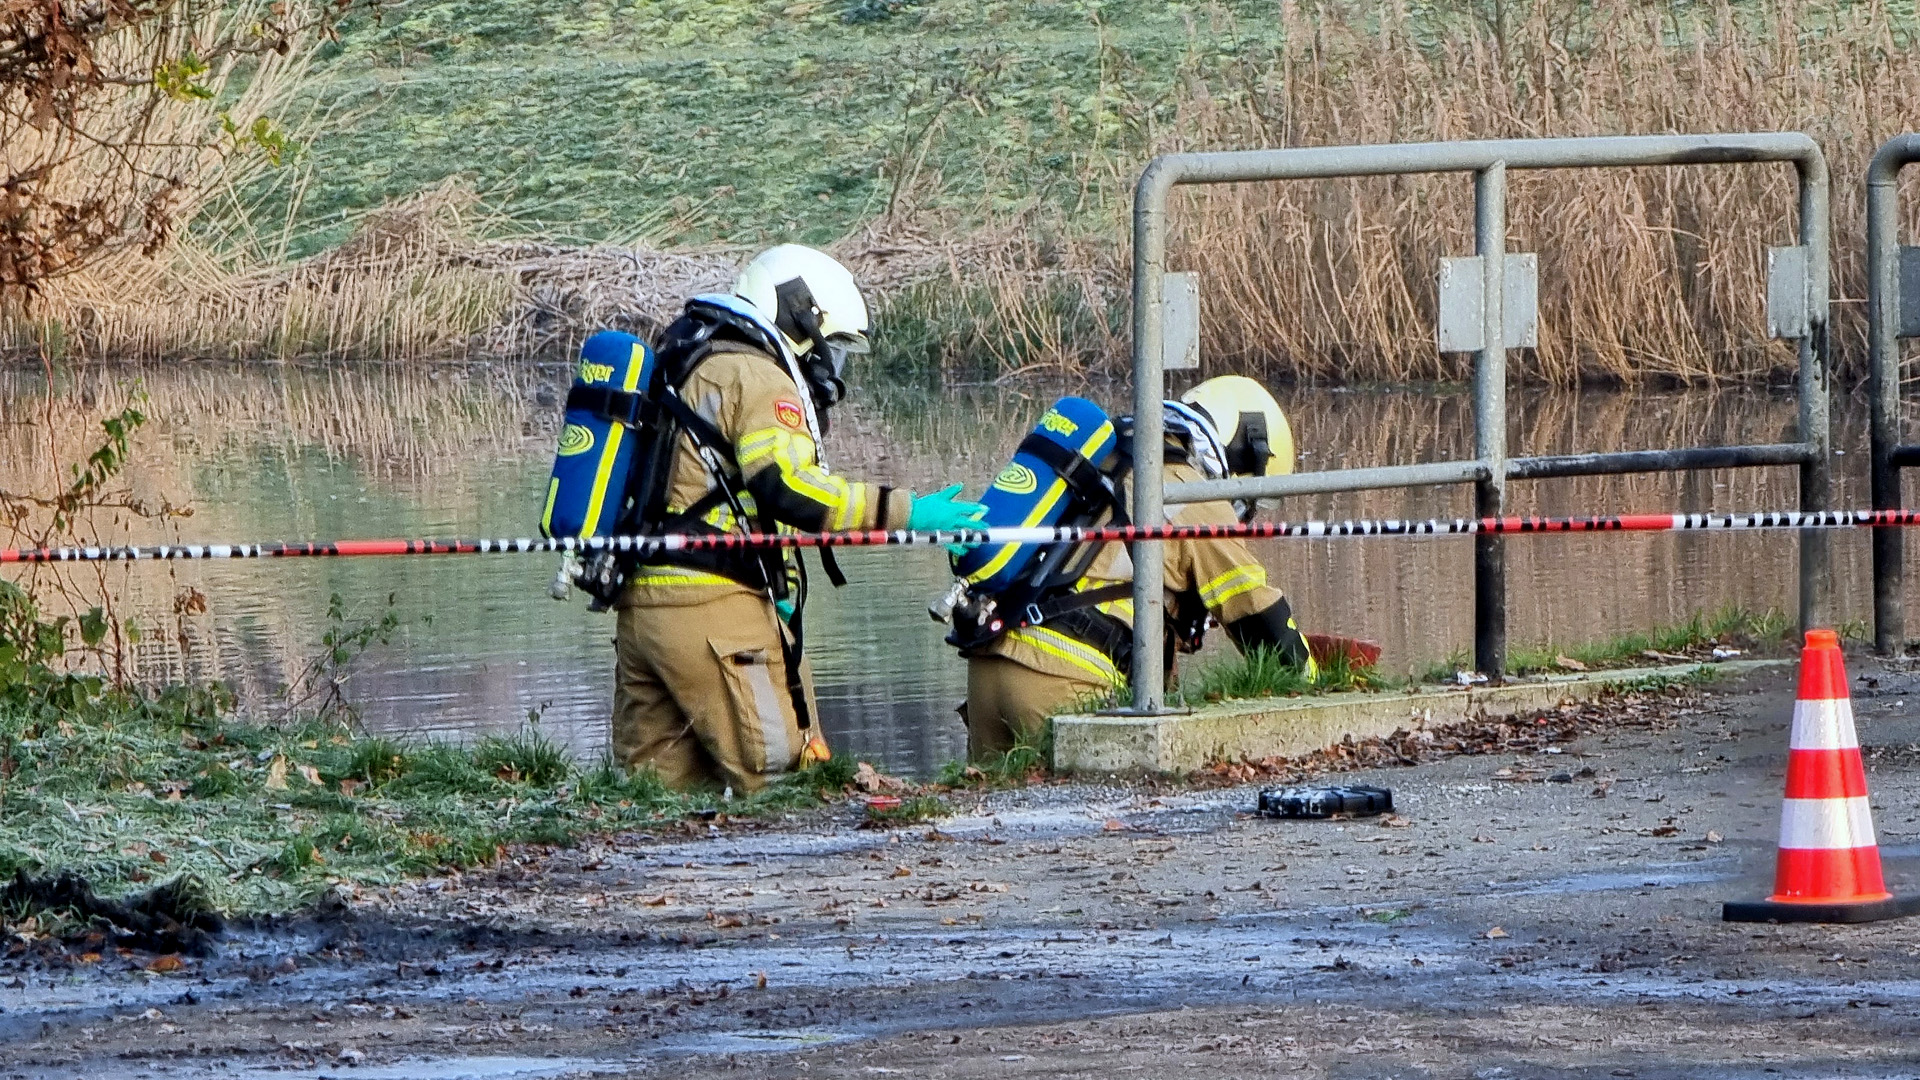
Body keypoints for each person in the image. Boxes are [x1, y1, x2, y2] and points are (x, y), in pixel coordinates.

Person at [612, 244, 984, 793]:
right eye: (833, 347)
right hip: (715, 610)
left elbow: (719, 493)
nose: (834, 369)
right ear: (800, 318)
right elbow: (788, 489)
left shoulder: (689, 356)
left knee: (656, 801)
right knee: (782, 782)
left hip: (644, 606)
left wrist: (779, 583)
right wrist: (908, 511)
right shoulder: (759, 377)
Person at [956, 375, 1315, 760]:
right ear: (1243, 455)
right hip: (1067, 677)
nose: (1240, 510)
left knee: (997, 816)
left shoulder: (1107, 457)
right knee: (1091, 813)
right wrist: (1314, 683)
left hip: (988, 669)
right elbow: (1256, 611)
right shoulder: (1188, 488)